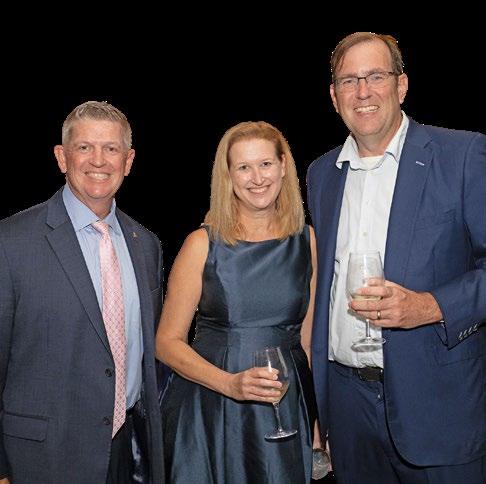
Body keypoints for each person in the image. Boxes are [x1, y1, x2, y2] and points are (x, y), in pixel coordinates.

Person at [307, 31, 486, 483]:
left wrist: (430, 306)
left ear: (401, 85)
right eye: (349, 81)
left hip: (440, 408)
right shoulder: (321, 174)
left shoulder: (463, 155)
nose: (362, 92)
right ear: (334, 96)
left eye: (375, 76)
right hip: (347, 409)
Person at [0, 101, 165, 483]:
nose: (99, 160)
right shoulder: (10, 242)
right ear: (62, 157)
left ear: (128, 161)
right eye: (85, 147)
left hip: (128, 453)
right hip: (40, 461)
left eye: (111, 148)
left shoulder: (146, 245)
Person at [156, 121, 318, 483]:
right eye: (244, 167)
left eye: (265, 164)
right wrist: (229, 384)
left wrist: (320, 421)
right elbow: (166, 342)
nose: (257, 178)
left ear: (283, 166)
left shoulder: (307, 241)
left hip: (287, 407)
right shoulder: (201, 244)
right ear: (228, 176)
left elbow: (309, 342)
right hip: (212, 409)